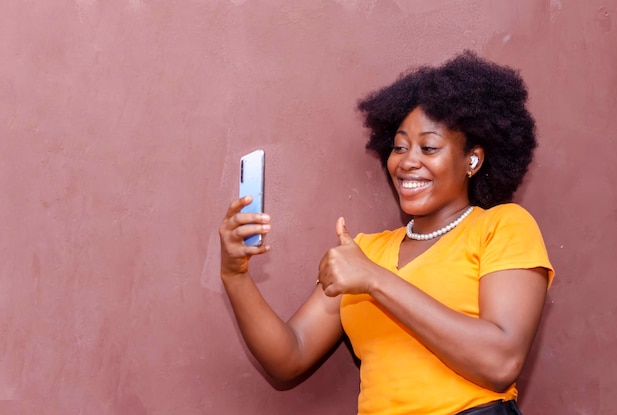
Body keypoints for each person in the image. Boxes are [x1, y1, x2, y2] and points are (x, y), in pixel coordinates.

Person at [219, 50, 554, 415]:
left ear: (471, 159)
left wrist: (375, 280)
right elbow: (290, 356)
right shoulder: (364, 252)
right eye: (399, 147)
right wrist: (235, 276)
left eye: (428, 147)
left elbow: (500, 363)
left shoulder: (502, 226)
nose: (408, 161)